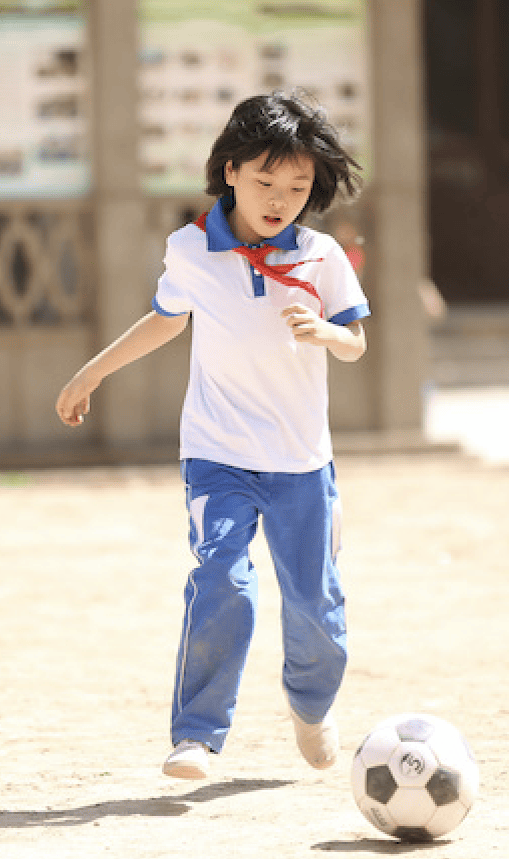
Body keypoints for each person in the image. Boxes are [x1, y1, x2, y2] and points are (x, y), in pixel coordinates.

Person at [56, 92, 367, 779]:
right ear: (229, 171)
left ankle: (311, 705)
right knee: (222, 578)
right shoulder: (191, 249)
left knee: (315, 603)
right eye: (264, 181)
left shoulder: (322, 256)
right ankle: (196, 734)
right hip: (217, 453)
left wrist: (330, 334)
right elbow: (166, 318)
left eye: (297, 186)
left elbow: (356, 343)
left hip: (300, 462)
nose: (280, 198)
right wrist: (92, 372)